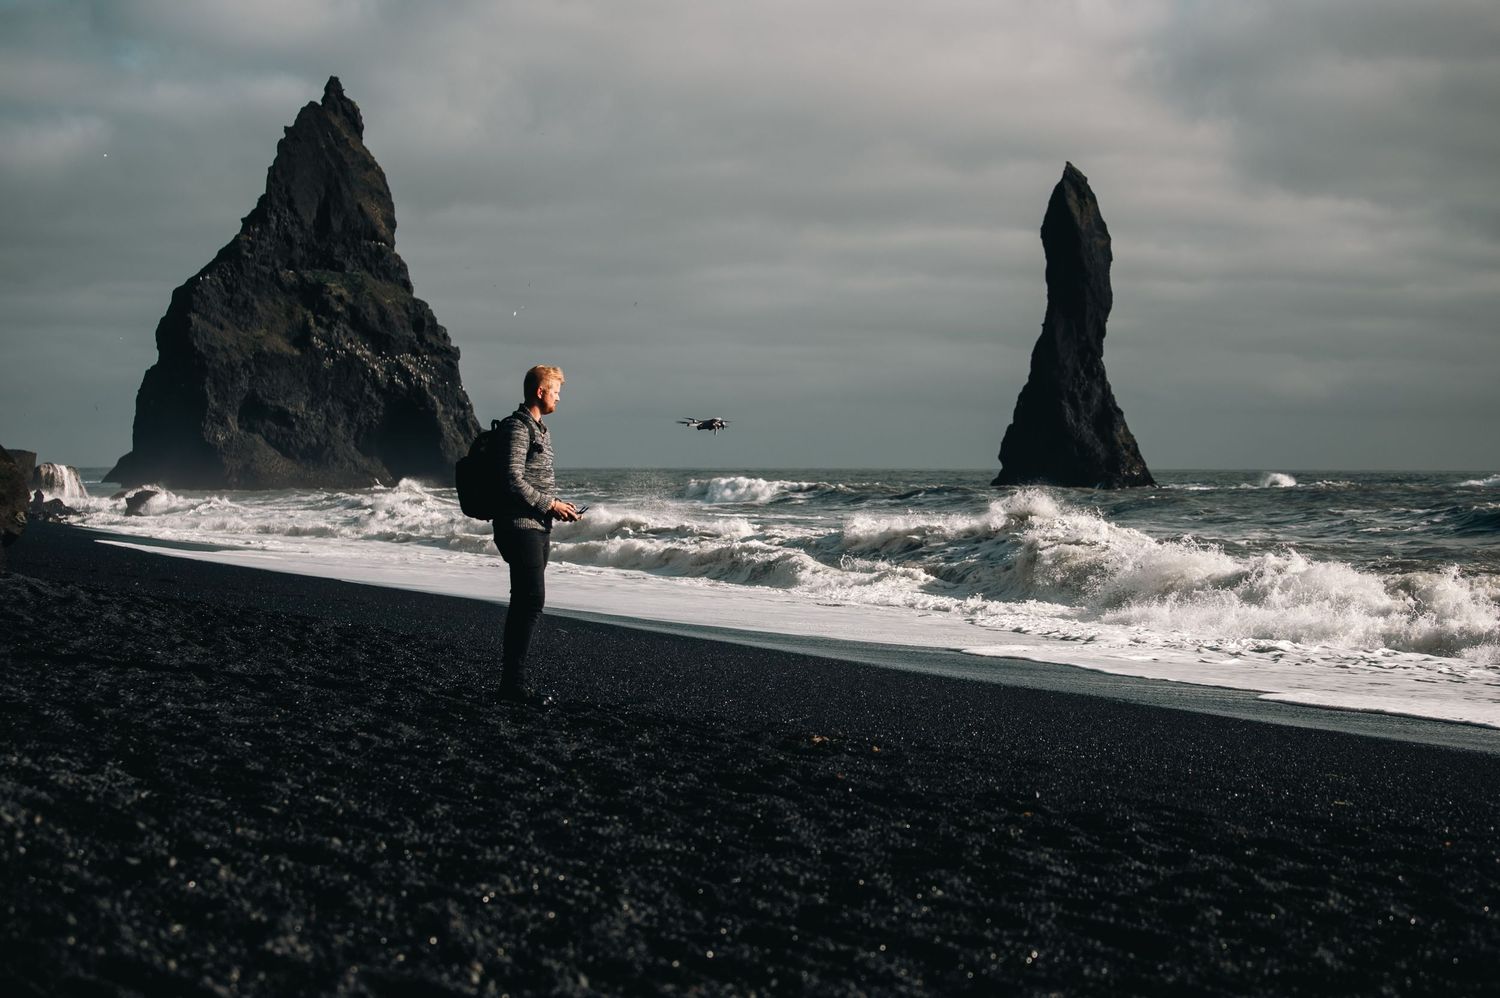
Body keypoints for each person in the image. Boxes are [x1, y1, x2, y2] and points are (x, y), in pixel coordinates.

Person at [494, 365, 581, 704]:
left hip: (537, 526)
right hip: (519, 527)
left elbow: (532, 479)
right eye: (556, 390)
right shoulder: (517, 429)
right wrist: (550, 504)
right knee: (529, 601)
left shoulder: (540, 430)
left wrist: (558, 506)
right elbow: (512, 480)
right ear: (540, 392)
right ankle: (512, 685)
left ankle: (510, 684)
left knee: (526, 602)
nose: (559, 396)